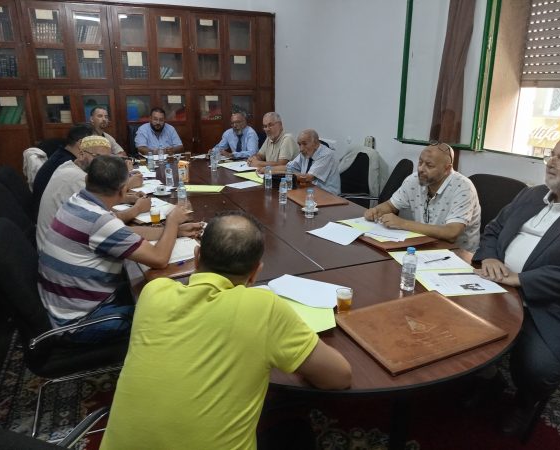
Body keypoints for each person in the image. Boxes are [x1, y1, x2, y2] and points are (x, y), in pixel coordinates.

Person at [100, 211, 352, 450]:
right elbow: (339, 378)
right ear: (255, 273)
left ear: (196, 256)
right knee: (296, 426)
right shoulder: (263, 308)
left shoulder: (153, 292)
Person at [472, 132, 560, 436]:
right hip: (497, 287)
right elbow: (492, 230)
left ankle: (526, 402)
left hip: (552, 306)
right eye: (552, 154)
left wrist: (522, 279)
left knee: (538, 367)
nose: (551, 162)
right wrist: (490, 257)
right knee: (452, 322)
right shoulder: (531, 195)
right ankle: (489, 379)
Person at [38, 155, 202, 343]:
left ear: (87, 179)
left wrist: (174, 232)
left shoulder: (78, 201)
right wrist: (172, 221)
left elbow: (124, 232)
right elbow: (159, 259)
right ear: (124, 190)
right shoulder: (100, 221)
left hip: (64, 306)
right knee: (171, 314)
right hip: (80, 323)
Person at [36, 136, 150, 252]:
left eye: (107, 159)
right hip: (61, 249)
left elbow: (101, 199)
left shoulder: (69, 166)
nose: (104, 164)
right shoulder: (78, 178)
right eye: (98, 157)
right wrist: (138, 208)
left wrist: (128, 198)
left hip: (63, 242)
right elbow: (108, 219)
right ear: (81, 154)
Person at [364, 142, 481, 252]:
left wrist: (402, 223)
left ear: (447, 169)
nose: (421, 169)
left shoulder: (463, 187)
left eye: (429, 165)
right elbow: (391, 205)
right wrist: (376, 210)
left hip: (458, 254)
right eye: (420, 163)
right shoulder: (414, 180)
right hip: (425, 245)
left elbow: (451, 233)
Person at [32, 123, 93, 214]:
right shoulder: (67, 164)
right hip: (53, 216)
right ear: (81, 144)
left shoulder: (61, 155)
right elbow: (92, 199)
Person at [264, 129, 341, 195]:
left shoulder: (326, 155)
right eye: (299, 144)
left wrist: (273, 173)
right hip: (310, 191)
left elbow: (308, 178)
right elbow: (288, 168)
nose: (301, 149)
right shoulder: (305, 153)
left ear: (315, 143)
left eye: (304, 144)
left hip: (329, 196)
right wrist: (267, 169)